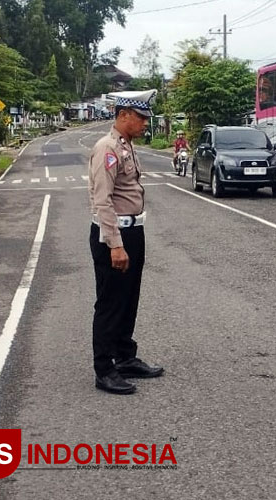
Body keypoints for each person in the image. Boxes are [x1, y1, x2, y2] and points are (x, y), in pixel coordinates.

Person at [89, 90, 164, 395]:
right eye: (142, 118)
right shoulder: (106, 148)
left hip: (133, 231)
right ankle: (104, 369)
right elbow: (102, 201)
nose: (146, 123)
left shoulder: (126, 146)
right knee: (111, 303)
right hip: (114, 235)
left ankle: (125, 356)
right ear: (124, 116)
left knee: (129, 298)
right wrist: (115, 244)